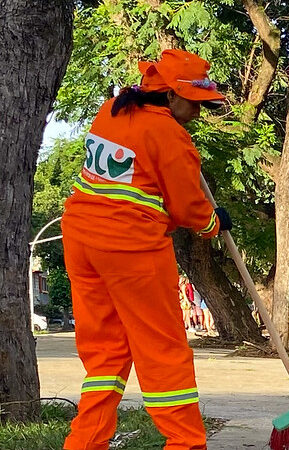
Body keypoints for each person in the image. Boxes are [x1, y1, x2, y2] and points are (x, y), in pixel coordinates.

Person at [61, 49, 233, 450]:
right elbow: (189, 209)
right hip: (130, 249)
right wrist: (214, 222)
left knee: (105, 354)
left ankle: (85, 443)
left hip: (81, 240)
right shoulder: (171, 137)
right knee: (163, 350)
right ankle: (186, 443)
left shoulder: (111, 110)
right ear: (170, 96)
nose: (198, 112)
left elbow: (137, 188)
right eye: (194, 103)